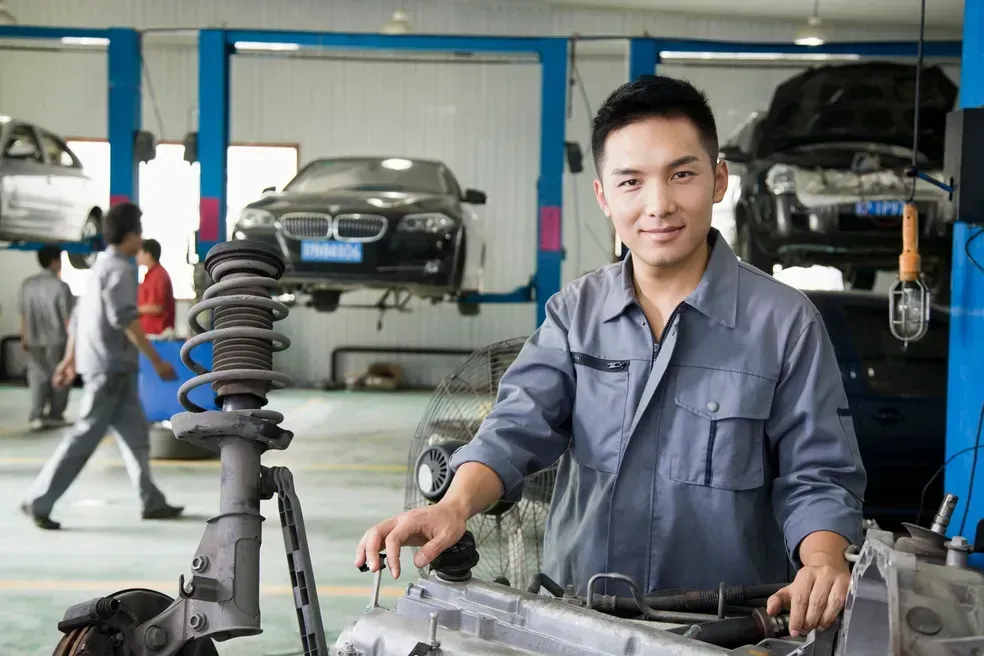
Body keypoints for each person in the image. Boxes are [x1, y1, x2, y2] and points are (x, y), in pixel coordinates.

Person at [355, 76, 867, 639]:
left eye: (682, 174)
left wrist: (822, 561)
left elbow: (817, 475)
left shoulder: (785, 324)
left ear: (719, 180)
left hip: (727, 629)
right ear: (603, 196)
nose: (659, 205)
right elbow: (514, 430)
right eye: (631, 182)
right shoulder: (574, 313)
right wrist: (452, 507)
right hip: (577, 619)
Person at [19, 202, 184, 530]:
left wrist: (69, 360)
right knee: (84, 437)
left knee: (137, 436)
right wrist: (157, 360)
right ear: (131, 234)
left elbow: (79, 319)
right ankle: (38, 500)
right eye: (139, 230)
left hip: (111, 367)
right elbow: (124, 319)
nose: (142, 237)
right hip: (111, 367)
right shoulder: (121, 269)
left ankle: (150, 499)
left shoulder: (99, 266)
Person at [19, 245, 75, 430]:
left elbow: (24, 314)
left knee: (37, 376)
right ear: (54, 262)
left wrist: (24, 336)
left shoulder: (27, 284)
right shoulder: (61, 286)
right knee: (59, 376)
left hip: (33, 340)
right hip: (56, 340)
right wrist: (74, 345)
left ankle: (36, 414)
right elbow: (68, 318)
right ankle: (56, 414)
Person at [137, 238, 176, 335]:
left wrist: (133, 310)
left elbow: (157, 307)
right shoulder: (150, 275)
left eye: (139, 252)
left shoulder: (158, 276)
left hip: (158, 335)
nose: (137, 256)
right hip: (150, 333)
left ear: (148, 255)